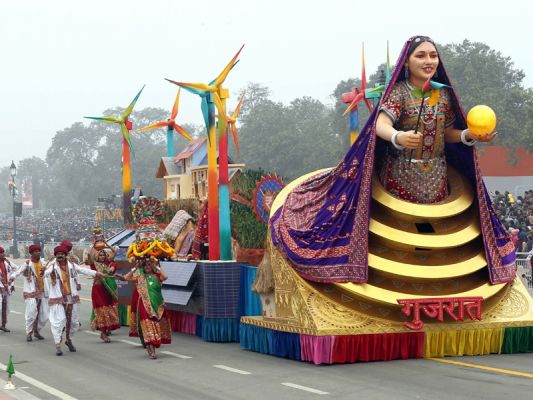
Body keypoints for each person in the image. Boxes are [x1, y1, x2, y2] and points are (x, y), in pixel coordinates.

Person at [269, 35, 515, 285]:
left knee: (434, 234)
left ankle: (432, 282)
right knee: (396, 233)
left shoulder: (443, 96)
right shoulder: (399, 93)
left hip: (438, 180)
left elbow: (447, 132)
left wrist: (468, 135)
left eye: (433, 55)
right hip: (399, 178)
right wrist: (398, 136)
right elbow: (380, 123)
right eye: (420, 56)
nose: (428, 61)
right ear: (407, 62)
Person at [44, 245, 103, 356]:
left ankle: (68, 339)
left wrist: (96, 273)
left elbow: (83, 270)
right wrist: (43, 272)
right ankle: (57, 344)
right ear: (55, 255)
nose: (60, 255)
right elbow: (46, 272)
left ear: (65, 255)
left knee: (74, 323)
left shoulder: (72, 265)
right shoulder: (52, 266)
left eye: (62, 254)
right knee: (59, 321)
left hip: (71, 298)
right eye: (58, 254)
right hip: (58, 299)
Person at [120, 257, 171, 359]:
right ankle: (151, 349)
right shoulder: (140, 278)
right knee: (147, 326)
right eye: (145, 265)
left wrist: (155, 265)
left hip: (157, 306)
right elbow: (125, 278)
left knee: (156, 326)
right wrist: (136, 267)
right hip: (144, 305)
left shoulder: (157, 277)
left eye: (149, 265)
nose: (147, 267)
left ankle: (151, 346)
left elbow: (165, 276)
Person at [12, 244, 49, 341]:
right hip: (30, 292)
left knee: (44, 315)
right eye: (35, 251)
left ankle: (37, 331)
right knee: (31, 313)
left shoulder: (43, 263)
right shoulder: (27, 264)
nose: (38, 253)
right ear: (31, 253)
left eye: (38, 251)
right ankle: (29, 332)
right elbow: (18, 271)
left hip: (42, 292)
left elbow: (52, 266)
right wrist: (12, 277)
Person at [89, 249, 120, 343]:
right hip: (98, 289)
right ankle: (103, 333)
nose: (102, 257)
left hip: (107, 290)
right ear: (97, 256)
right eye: (100, 255)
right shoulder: (94, 264)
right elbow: (90, 258)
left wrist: (106, 244)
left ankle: (105, 331)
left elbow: (114, 254)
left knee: (108, 309)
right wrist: (93, 246)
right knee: (101, 310)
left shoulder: (108, 264)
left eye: (103, 255)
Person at [0, 247, 17, 332]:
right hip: (1, 287)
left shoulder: (7, 262)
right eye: (0, 253)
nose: (2, 254)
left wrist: (11, 280)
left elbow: (17, 269)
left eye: (3, 253)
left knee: (6, 307)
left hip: (6, 288)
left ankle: (3, 325)